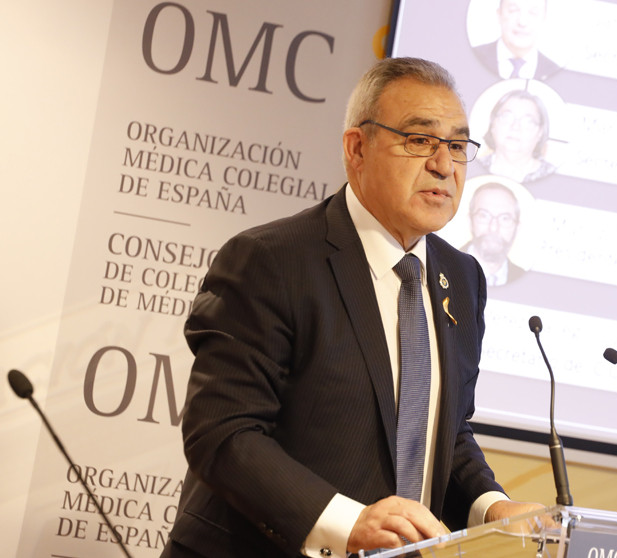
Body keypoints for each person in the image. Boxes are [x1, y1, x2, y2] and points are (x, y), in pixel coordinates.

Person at [161, 57, 543, 558]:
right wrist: (348, 524)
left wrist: (492, 506)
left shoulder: (463, 277)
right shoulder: (272, 260)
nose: (444, 166)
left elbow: (444, 433)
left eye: (456, 146)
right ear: (357, 148)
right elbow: (223, 432)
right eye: (419, 140)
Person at [478, 89, 556, 184]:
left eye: (528, 122)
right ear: (493, 124)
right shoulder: (471, 166)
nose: (515, 127)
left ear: (540, 132)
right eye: (507, 117)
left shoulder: (554, 177)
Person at [473, 0, 561, 81]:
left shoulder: (556, 76)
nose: (522, 22)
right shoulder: (472, 59)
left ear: (544, 19)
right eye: (513, 10)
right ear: (499, 14)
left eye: (533, 12)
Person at [463, 183, 525, 286]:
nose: (493, 228)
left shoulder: (523, 278)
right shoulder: (445, 265)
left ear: (517, 228)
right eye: (484, 216)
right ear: (470, 221)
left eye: (505, 218)